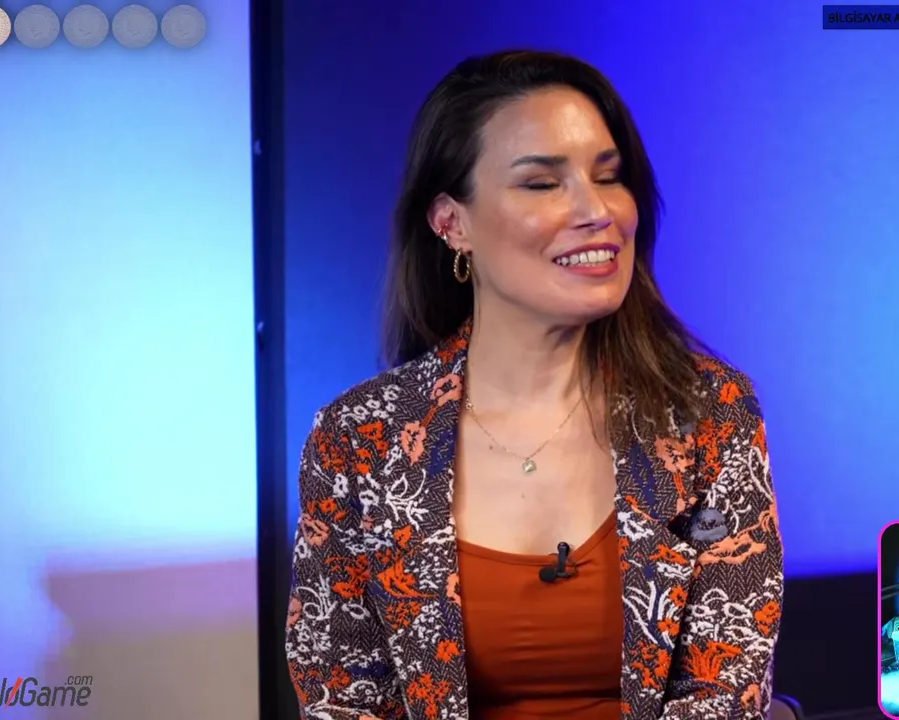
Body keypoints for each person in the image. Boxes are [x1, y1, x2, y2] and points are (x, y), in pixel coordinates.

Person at [284, 50, 784, 720]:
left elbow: (724, 692)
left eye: (608, 177)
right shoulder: (359, 441)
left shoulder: (709, 414)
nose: (597, 210)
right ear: (452, 223)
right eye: (543, 184)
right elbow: (343, 697)